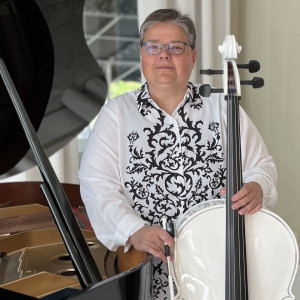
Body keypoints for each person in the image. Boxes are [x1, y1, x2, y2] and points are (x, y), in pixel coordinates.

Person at [78, 8, 277, 300]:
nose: (164, 55)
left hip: (221, 263)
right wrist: (134, 231)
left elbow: (261, 164)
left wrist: (257, 186)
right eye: (154, 46)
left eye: (176, 47)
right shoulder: (116, 114)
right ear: (142, 54)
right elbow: (98, 187)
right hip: (149, 265)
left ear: (193, 56)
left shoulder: (223, 106)